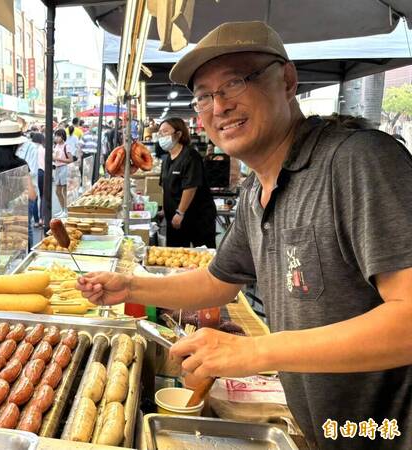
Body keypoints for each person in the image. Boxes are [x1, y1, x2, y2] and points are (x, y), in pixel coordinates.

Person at [78, 21, 412, 450]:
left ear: (287, 81)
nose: (219, 106)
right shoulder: (256, 189)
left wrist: (256, 352)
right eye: (204, 96)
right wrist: (131, 286)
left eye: (235, 82)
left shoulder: (358, 161)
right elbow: (218, 281)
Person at [157, 117, 217, 248]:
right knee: (176, 252)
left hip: (196, 215)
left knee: (203, 253)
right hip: (174, 215)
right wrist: (164, 209)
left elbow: (190, 187)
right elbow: (165, 186)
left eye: (165, 131)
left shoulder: (190, 156)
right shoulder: (167, 159)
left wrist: (180, 212)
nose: (161, 135)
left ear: (178, 134)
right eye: (159, 132)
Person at [53, 128, 72, 212]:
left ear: (63, 136)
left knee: (64, 190)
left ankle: (66, 210)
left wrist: (58, 159)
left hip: (64, 168)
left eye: (58, 136)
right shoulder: (56, 146)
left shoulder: (66, 146)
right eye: (55, 136)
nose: (56, 138)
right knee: (57, 191)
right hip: (57, 168)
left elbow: (70, 160)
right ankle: (62, 209)